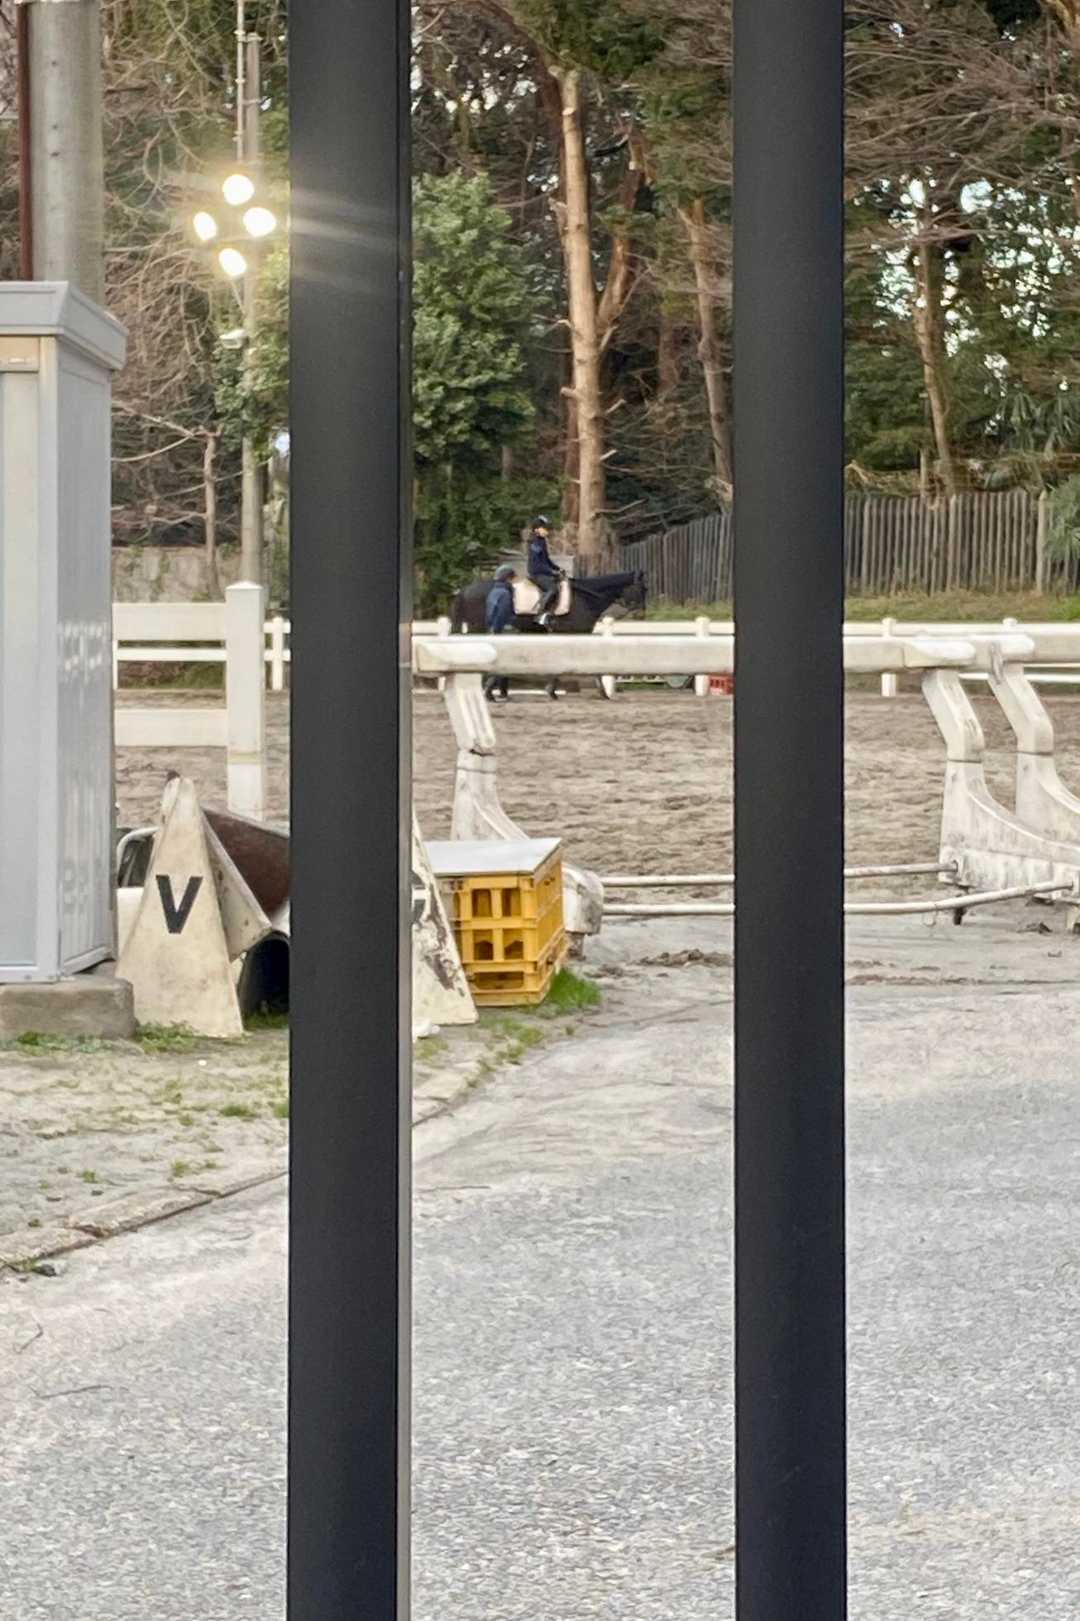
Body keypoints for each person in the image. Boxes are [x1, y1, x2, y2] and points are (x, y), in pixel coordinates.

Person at [483, 563, 516, 702]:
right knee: (504, 661)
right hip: (503, 629)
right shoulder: (505, 594)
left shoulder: (493, 592)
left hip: (492, 627)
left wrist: (491, 628)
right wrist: (498, 629)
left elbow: (489, 613)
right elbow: (502, 613)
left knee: (499, 660)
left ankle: (502, 691)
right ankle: (490, 688)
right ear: (507, 578)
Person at [526, 516, 562, 628]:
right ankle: (540, 615)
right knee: (552, 589)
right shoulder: (535, 543)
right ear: (536, 529)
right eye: (545, 529)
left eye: (548, 529)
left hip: (543, 572)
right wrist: (551, 572)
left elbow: (546, 559)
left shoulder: (542, 541)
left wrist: (557, 568)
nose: (547, 531)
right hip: (536, 573)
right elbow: (538, 564)